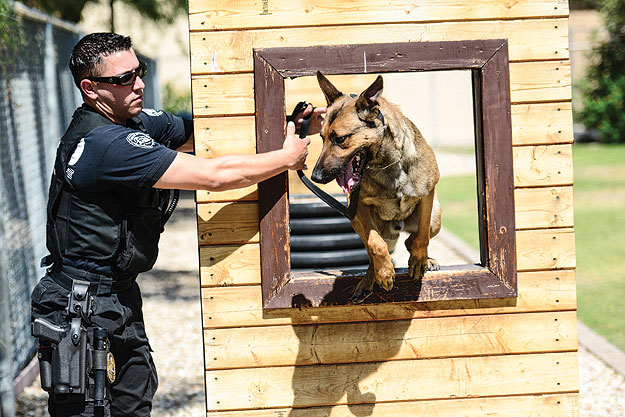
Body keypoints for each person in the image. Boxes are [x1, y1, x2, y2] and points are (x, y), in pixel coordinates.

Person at [30, 32, 325, 417]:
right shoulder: (106, 145)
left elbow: (203, 134)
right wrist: (285, 158)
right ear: (90, 89)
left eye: (140, 72)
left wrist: (292, 123)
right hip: (79, 304)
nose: (138, 84)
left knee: (134, 400)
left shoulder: (133, 122)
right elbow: (216, 175)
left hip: (116, 294)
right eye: (123, 79)